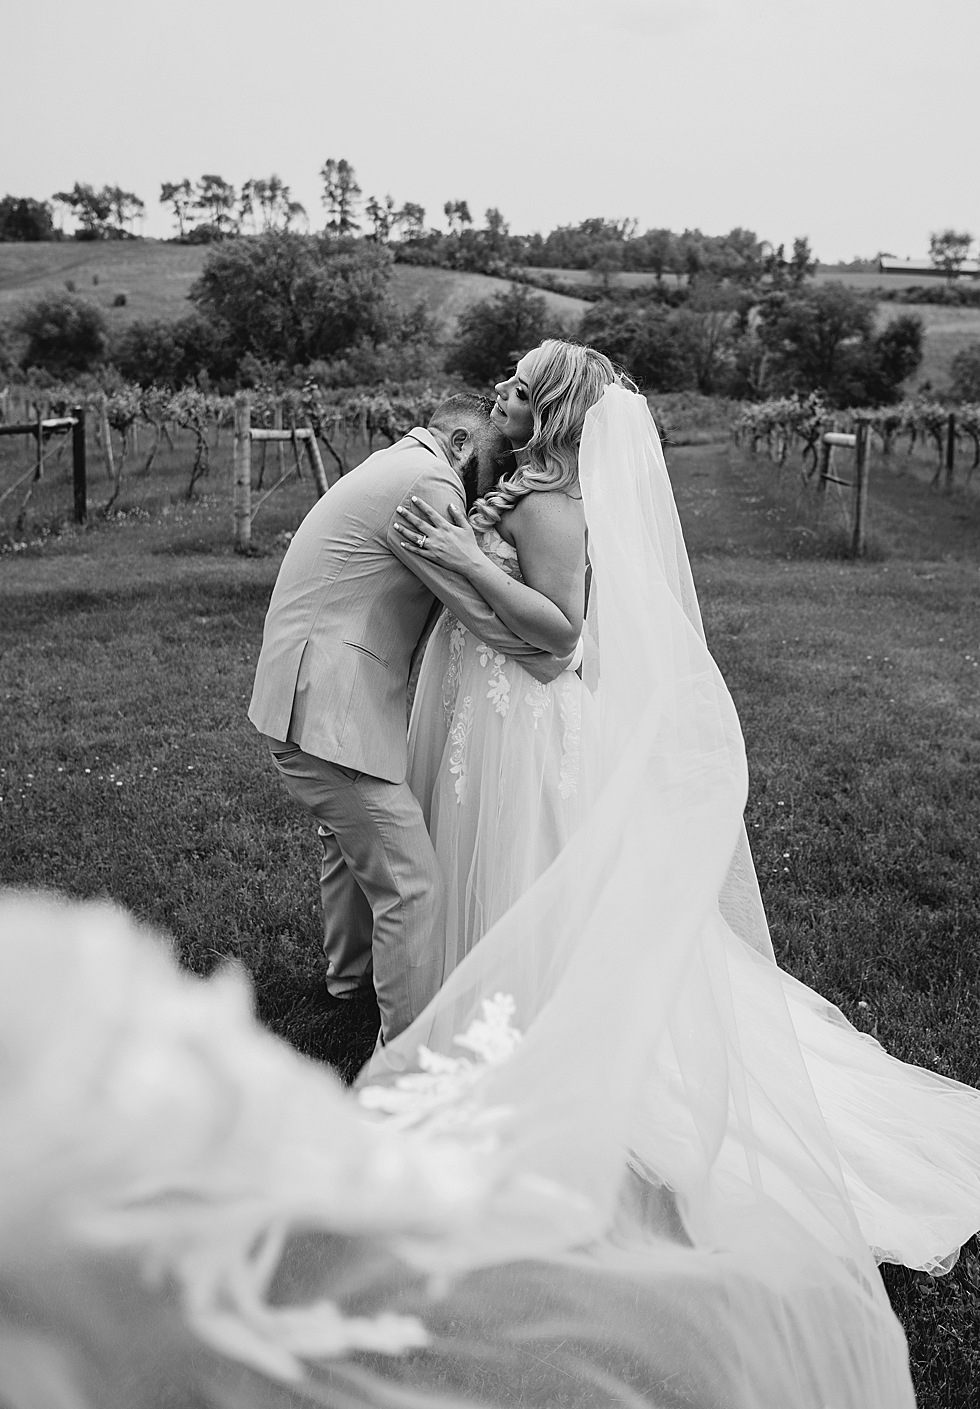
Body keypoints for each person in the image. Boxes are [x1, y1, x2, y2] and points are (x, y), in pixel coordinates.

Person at [247, 394, 570, 1044]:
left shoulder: (393, 462)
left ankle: (348, 985)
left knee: (345, 843)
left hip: (305, 694)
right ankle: (405, 1051)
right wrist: (549, 655)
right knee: (411, 885)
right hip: (328, 711)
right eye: (488, 465)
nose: (486, 486)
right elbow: (469, 607)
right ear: (459, 442)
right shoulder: (428, 481)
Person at [393, 343, 605, 976]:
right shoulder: (524, 485)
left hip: (514, 704)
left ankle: (507, 987)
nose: (501, 391)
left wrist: (469, 560)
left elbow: (563, 629)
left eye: (519, 389)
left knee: (506, 844)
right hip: (476, 683)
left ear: (550, 413)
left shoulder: (551, 506)